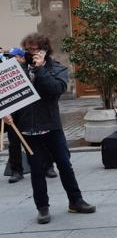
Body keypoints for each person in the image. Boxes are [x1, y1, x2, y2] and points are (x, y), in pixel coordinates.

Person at [3, 33, 95, 224]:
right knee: (36, 170)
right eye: (27, 50)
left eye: (34, 50)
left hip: (51, 126)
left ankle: (75, 201)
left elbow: (55, 90)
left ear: (44, 50)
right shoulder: (17, 70)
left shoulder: (56, 69)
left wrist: (41, 69)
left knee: (64, 164)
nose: (30, 53)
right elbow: (7, 96)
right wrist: (6, 112)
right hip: (27, 127)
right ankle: (42, 208)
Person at [5, 47, 58, 183]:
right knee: (14, 143)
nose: (12, 59)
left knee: (42, 139)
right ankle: (16, 170)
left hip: (33, 112)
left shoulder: (30, 69)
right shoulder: (7, 71)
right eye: (10, 57)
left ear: (22, 58)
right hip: (14, 113)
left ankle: (48, 167)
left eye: (15, 57)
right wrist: (4, 112)